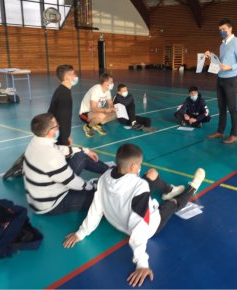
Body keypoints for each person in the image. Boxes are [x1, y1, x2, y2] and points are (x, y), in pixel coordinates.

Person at [63, 143, 206, 287]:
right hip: (150, 226)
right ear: (132, 167)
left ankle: (169, 190)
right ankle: (192, 188)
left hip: (118, 219)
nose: (139, 168)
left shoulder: (105, 176)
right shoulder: (139, 186)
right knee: (172, 204)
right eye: (139, 165)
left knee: (151, 174)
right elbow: (141, 225)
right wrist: (142, 263)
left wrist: (81, 233)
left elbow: (96, 207)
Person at [23, 113, 110, 215]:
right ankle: (109, 178)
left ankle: (110, 170)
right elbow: (71, 181)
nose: (58, 127)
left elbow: (60, 149)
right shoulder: (52, 156)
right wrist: (91, 186)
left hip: (41, 196)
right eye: (56, 126)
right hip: (52, 204)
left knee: (80, 156)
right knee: (102, 197)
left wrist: (85, 150)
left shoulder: (37, 141)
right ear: (49, 132)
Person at [205, 18, 237, 144]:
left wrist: (231, 67)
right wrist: (211, 57)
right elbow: (221, 62)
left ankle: (234, 135)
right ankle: (220, 131)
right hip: (220, 79)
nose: (222, 31)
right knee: (221, 107)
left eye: (224, 29)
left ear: (230, 28)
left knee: (232, 108)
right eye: (220, 30)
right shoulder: (222, 45)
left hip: (231, 80)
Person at [48, 64, 78, 146]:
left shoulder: (63, 90)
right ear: (67, 77)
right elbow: (64, 120)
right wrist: (66, 138)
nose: (75, 76)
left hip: (56, 132)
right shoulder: (64, 95)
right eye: (73, 74)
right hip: (58, 135)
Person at [79, 73, 116, 137]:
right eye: (111, 82)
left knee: (115, 114)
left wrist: (112, 108)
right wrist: (106, 110)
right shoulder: (96, 90)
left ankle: (97, 124)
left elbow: (110, 102)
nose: (112, 83)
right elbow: (93, 108)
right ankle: (87, 127)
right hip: (85, 113)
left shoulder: (107, 90)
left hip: (95, 112)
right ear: (105, 83)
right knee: (102, 115)